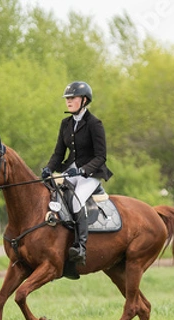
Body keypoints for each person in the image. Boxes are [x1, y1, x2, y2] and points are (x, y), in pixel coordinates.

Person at [41, 81, 113, 265]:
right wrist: (49, 168)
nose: (68, 101)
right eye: (67, 98)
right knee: (51, 195)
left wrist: (83, 170)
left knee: (74, 201)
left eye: (72, 98)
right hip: (70, 172)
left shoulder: (94, 123)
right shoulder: (65, 123)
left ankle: (80, 247)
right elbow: (58, 153)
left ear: (84, 100)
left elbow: (101, 156)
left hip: (91, 174)